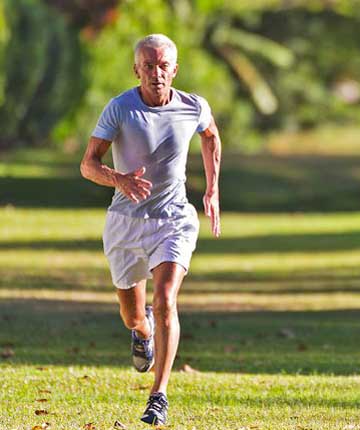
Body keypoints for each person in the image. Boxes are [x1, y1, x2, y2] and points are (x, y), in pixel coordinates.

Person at [80, 33, 221, 426]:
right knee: (134, 314)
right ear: (136, 69)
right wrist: (117, 178)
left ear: (175, 69)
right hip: (126, 222)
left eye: (164, 66)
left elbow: (210, 136)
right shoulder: (120, 108)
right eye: (148, 65)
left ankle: (158, 396)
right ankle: (142, 332)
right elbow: (88, 163)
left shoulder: (194, 106)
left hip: (174, 219)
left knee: (165, 300)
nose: (156, 74)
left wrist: (211, 189)